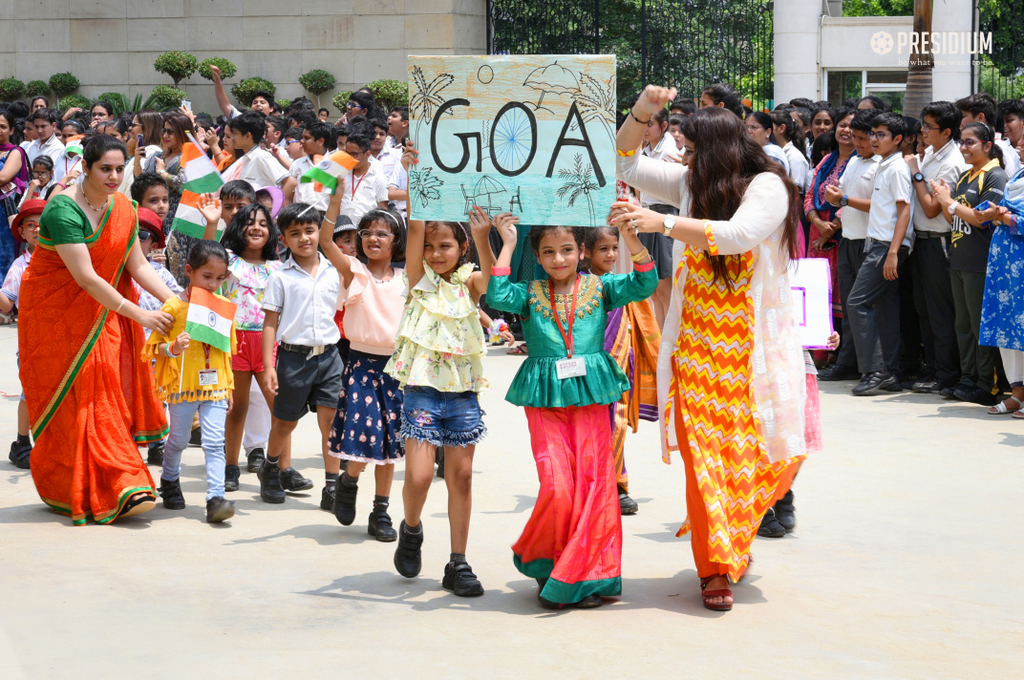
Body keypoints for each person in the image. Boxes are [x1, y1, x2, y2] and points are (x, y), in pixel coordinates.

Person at [615, 86, 806, 612]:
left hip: (749, 357)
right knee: (704, 465)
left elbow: (739, 235)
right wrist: (643, 109)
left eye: (694, 150)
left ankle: (731, 542)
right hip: (695, 352)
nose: (683, 158)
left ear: (720, 149)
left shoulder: (768, 186)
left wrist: (664, 223)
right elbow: (623, 160)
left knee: (756, 461)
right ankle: (714, 568)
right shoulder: (689, 183)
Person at [484, 207, 656, 609]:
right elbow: (496, 296)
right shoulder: (529, 292)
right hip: (545, 398)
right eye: (548, 252)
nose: (558, 259)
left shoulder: (601, 287)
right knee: (559, 487)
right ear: (538, 257)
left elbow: (645, 283)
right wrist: (507, 244)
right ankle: (552, 562)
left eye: (565, 250)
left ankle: (582, 576)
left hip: (592, 395)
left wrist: (630, 237)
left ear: (581, 251)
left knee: (596, 487)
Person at [19, 135, 176, 524]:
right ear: (86, 167)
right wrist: (141, 316)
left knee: (103, 393)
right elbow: (87, 278)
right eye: (105, 168)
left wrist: (174, 301)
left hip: (104, 314)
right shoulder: (62, 210)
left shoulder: (123, 206)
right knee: (73, 404)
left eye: (120, 169)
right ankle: (70, 485)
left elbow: (137, 266)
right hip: (56, 316)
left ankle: (123, 483)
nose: (114, 176)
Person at [387, 209, 492, 597]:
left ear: (462, 248)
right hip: (421, 391)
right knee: (417, 477)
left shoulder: (469, 282)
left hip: (463, 392)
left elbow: (495, 286)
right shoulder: (420, 281)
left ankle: (458, 562)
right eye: (429, 247)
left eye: (445, 246)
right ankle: (411, 529)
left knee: (460, 478)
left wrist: (486, 238)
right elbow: (415, 227)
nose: (435, 253)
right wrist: (417, 176)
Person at [323, 202, 407, 540]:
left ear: (395, 240)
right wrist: (337, 196)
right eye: (367, 233)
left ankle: (380, 512)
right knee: (365, 441)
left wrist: (415, 183)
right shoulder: (354, 272)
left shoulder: (408, 276)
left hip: (397, 368)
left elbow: (415, 231)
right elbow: (327, 243)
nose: (373, 238)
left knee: (389, 447)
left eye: (382, 233)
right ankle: (348, 480)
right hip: (361, 366)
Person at [143, 236, 238, 524]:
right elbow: (153, 347)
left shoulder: (223, 305)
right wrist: (173, 347)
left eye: (219, 278)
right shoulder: (173, 307)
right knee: (179, 439)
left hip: (215, 386)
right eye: (206, 276)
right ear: (189, 270)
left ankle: (215, 497)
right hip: (183, 386)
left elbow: (225, 350)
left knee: (214, 441)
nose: (212, 284)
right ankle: (170, 480)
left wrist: (229, 385)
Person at [258, 203, 340, 505]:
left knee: (331, 422)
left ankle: (332, 487)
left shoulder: (335, 271)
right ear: (284, 240)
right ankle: (270, 467)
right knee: (285, 423)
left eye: (310, 230)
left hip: (330, 357)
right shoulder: (281, 277)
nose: (304, 238)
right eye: (295, 233)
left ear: (320, 232)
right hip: (293, 359)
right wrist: (269, 366)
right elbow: (270, 323)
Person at [582, 226, 661, 516]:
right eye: (603, 249)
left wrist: (633, 240)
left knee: (615, 426)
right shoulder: (578, 285)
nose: (611, 254)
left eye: (615, 248)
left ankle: (617, 485)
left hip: (617, 369)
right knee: (590, 429)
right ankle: (594, 486)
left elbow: (647, 282)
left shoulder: (619, 284)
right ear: (586, 252)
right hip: (587, 372)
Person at [931, 122, 1008, 406]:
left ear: (987, 146)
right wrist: (943, 200)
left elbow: (981, 217)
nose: (964, 147)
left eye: (970, 142)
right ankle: (968, 379)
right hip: (959, 259)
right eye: (962, 142)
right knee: (963, 325)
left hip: (981, 261)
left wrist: (948, 202)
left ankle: (989, 385)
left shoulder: (996, 175)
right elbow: (953, 218)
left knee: (980, 326)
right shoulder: (965, 176)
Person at [844, 113, 914, 395]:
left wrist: (893, 253)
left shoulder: (896, 168)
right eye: (872, 134)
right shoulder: (885, 165)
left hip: (887, 246)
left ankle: (876, 371)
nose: (873, 139)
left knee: (857, 303)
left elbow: (904, 211)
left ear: (897, 139)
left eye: (880, 134)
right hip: (878, 243)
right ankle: (890, 372)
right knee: (884, 309)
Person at [215, 203, 283, 492]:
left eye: (263, 223)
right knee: (237, 407)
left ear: (272, 231)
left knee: (280, 410)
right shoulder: (228, 261)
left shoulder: (280, 268)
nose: (256, 228)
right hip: (235, 340)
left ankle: (278, 469)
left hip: (270, 343)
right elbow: (208, 253)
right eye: (249, 222)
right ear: (237, 227)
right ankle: (230, 468)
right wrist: (211, 222)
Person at [906, 102, 968, 395]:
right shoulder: (931, 153)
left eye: (929, 127)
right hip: (921, 240)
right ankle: (932, 369)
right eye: (923, 124)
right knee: (924, 310)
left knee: (940, 312)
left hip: (939, 241)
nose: (923, 131)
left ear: (946, 131)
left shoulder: (952, 161)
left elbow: (933, 208)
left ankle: (946, 374)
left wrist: (916, 174)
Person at [820, 108, 884, 382]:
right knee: (848, 306)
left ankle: (873, 367)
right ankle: (848, 361)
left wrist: (842, 200)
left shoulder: (883, 164)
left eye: (862, 137)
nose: (856, 142)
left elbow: (881, 205)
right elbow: (841, 198)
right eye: (855, 137)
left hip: (870, 243)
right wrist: (835, 198)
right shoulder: (856, 162)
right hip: (848, 239)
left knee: (866, 308)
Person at [131, 206, 182, 466]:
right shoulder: (110, 272)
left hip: (155, 348)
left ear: (152, 242)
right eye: (128, 234)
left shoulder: (161, 274)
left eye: (141, 235)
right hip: (125, 347)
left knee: (156, 399)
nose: (134, 240)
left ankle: (157, 444)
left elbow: (179, 301)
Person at [804, 106, 855, 359]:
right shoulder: (826, 160)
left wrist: (829, 230)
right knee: (817, 293)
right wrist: (817, 223)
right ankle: (819, 352)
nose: (846, 130)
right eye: (843, 125)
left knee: (840, 295)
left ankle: (839, 354)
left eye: (852, 126)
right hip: (817, 235)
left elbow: (854, 201)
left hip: (840, 236)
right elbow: (809, 196)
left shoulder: (859, 162)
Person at [979, 142, 1024, 415]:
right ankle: (1017, 393)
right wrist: (997, 215)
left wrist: (1003, 217)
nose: (1020, 145)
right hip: (1005, 263)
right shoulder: (1018, 175)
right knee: (1007, 326)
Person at [1, 199, 44, 469]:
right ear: (23, 233)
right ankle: (21, 443)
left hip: (64, 339)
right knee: (30, 393)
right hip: (32, 343)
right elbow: (7, 303)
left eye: (44, 224)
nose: (38, 230)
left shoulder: (67, 257)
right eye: (31, 225)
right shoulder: (20, 265)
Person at [636, 106, 678, 326]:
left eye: (649, 123)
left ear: (663, 126)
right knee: (653, 286)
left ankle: (669, 343)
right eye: (642, 122)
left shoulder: (670, 149)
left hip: (665, 215)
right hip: (648, 215)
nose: (644, 128)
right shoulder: (646, 148)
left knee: (665, 287)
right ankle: (661, 343)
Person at [221, 112, 295, 201]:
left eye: (235, 134)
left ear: (247, 135)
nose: (232, 138)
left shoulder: (262, 156)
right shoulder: (246, 158)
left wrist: (274, 209)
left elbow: (290, 182)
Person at [0, 109, 29, 280]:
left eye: (3, 126)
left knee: (5, 254)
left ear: (11, 130)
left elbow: (3, 177)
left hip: (5, 214)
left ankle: (5, 299)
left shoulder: (15, 152)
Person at [339, 129, 389, 224]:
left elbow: (383, 209)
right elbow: (336, 204)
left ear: (367, 154)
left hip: (367, 230)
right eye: (347, 154)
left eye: (354, 154)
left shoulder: (377, 177)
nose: (350, 158)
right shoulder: (342, 175)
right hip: (343, 229)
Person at [290, 122, 335, 211]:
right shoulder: (297, 164)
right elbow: (290, 195)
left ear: (320, 141)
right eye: (302, 137)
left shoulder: (335, 166)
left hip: (324, 218)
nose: (302, 141)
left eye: (307, 138)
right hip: (299, 216)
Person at [771, 109, 810, 194]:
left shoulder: (794, 156)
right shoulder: (774, 153)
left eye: (770, 127)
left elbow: (795, 190)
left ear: (781, 128)